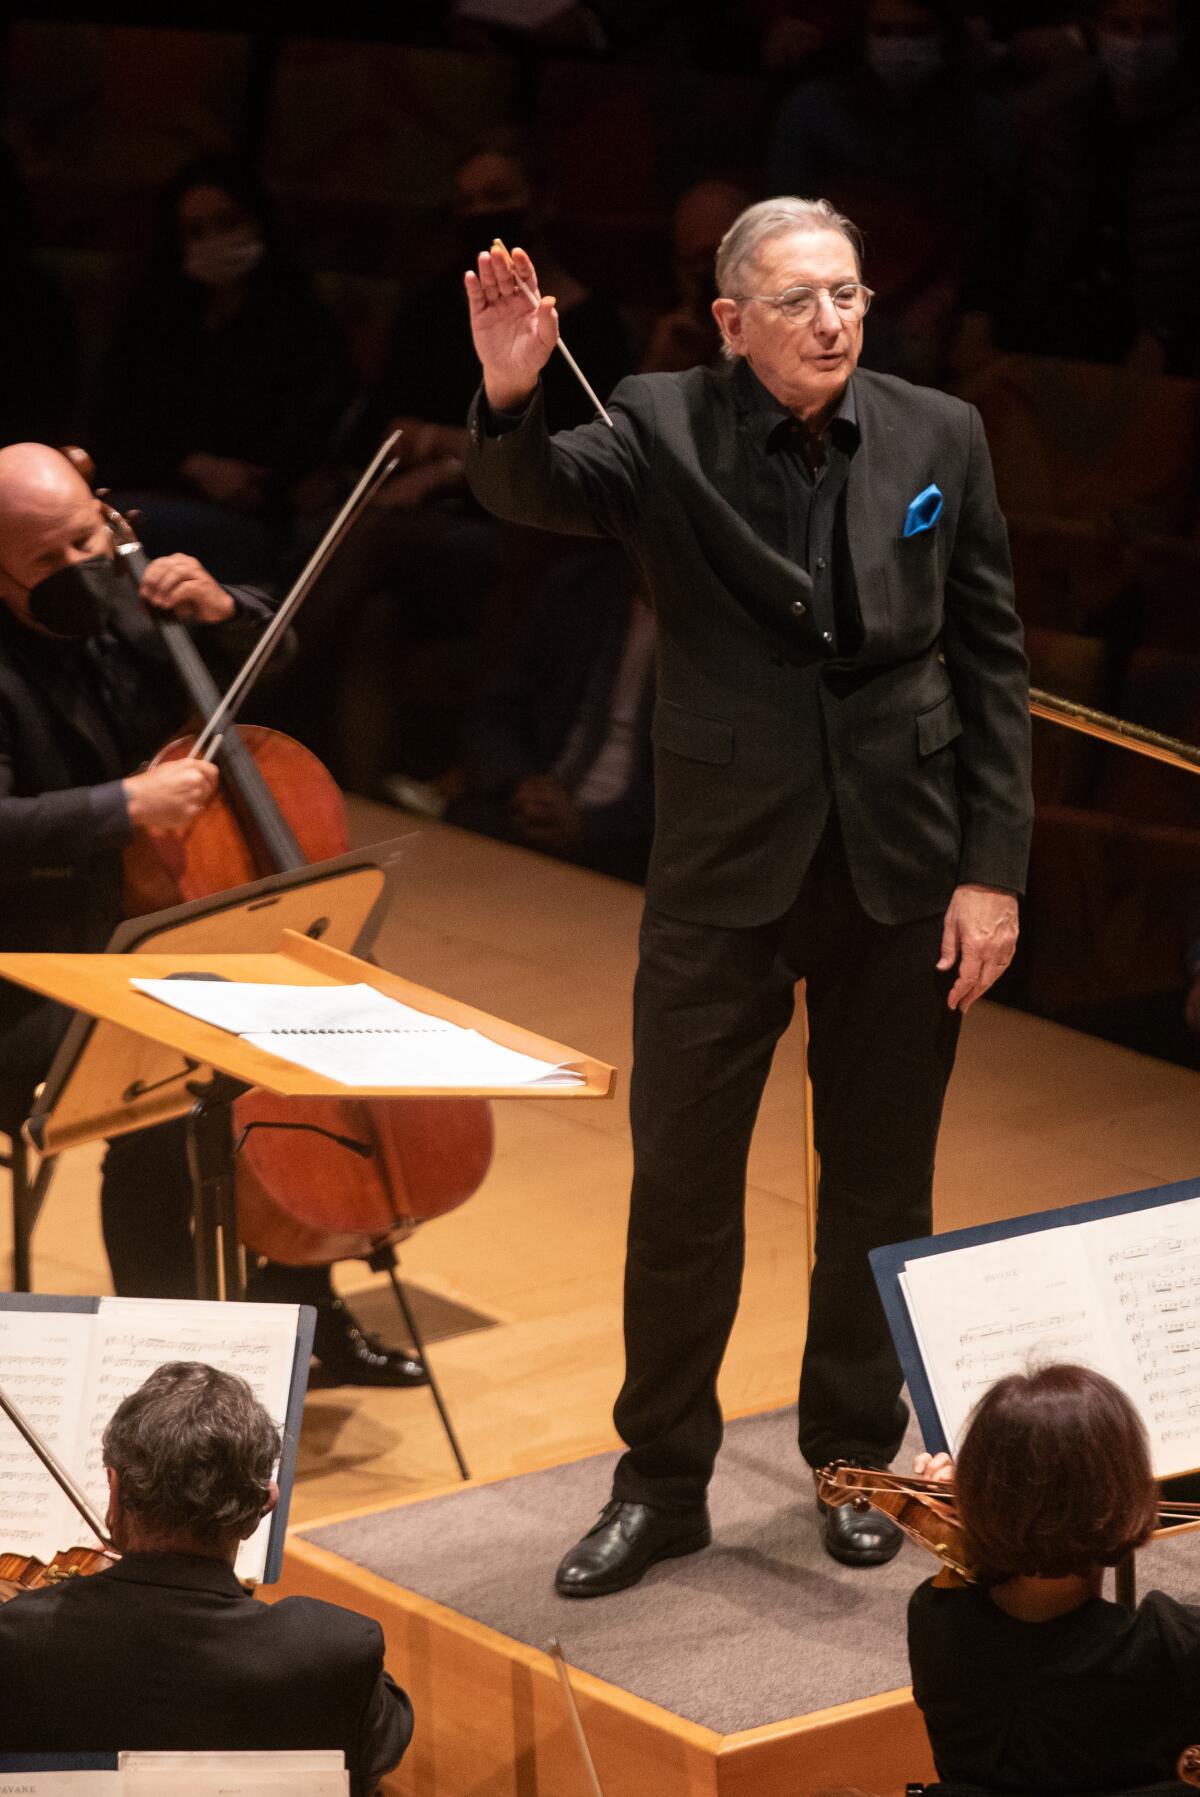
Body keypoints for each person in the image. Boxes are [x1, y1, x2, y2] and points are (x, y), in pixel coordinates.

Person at [464, 195, 1032, 1595]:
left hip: (904, 867)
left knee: (880, 1188)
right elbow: (528, 491)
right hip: (723, 867)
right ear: (731, 321)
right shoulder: (659, 418)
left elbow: (994, 662)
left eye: (847, 293)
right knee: (682, 1193)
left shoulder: (939, 433)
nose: (832, 321)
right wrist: (508, 390)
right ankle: (662, 1480)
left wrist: (993, 872)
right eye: (797, 301)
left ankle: (854, 1455)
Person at [0, 441, 425, 1386]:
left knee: (289, 1041)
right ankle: (171, 1369)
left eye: (89, 537)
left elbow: (270, 651)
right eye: (46, 562)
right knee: (168, 1094)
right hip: (31, 962)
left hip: (161, 926)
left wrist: (225, 607)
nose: (84, 568)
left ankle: (299, 1304)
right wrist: (122, 808)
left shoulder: (118, 584)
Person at [0, 1361, 412, 1791]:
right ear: (262, 1508)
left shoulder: (15, 1637)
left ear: (114, 1489)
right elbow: (382, 1743)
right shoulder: (335, 1647)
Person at [909, 1364, 1200, 1790]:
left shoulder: (934, 1618)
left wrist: (975, 1513)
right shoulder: (1175, 1647)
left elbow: (973, 1587)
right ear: (1131, 1496)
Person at [95, 154, 350, 580]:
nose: (213, 240)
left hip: (253, 512)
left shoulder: (303, 324)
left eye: (227, 223)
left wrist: (252, 482)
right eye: (195, 231)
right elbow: (117, 422)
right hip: (151, 488)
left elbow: (307, 438)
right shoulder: (154, 319)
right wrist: (190, 466)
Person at [445, 542, 655, 883]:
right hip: (534, 805)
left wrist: (592, 826)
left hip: (635, 841)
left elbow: (714, 794)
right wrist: (522, 782)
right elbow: (497, 710)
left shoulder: (730, 633)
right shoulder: (583, 585)